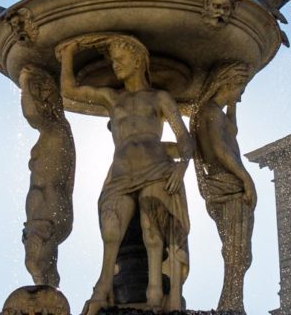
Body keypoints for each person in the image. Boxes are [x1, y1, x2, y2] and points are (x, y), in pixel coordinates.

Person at [58, 34, 192, 315]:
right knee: (111, 230)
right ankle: (102, 290)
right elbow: (68, 89)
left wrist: (183, 165)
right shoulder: (111, 97)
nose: (115, 65)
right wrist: (70, 52)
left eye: (121, 59)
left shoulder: (159, 97)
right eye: (113, 60)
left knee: (152, 233)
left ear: (138, 60)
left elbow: (184, 136)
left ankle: (155, 296)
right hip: (120, 174)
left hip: (156, 169)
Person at [191, 62, 256, 315]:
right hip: (228, 183)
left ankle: (231, 302)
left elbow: (231, 131)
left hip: (227, 184)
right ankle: (231, 305)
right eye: (240, 88)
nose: (241, 94)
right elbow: (220, 149)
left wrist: (232, 104)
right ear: (227, 83)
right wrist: (246, 178)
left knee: (239, 251)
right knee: (236, 250)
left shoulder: (213, 111)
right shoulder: (210, 112)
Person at [18, 65, 76, 288]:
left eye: (35, 93)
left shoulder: (56, 129)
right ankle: (49, 291)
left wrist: (24, 79)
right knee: (38, 267)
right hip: (46, 215)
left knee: (36, 264)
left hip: (48, 214)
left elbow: (31, 113)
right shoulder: (54, 131)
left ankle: (48, 291)